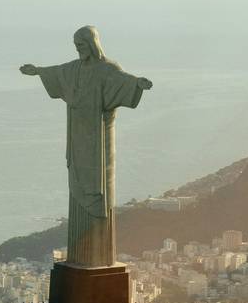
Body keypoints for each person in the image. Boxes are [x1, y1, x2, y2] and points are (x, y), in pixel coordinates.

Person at [19, 26, 153, 267]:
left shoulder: (108, 69)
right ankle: (81, 257)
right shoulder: (74, 69)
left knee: (100, 188)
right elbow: (57, 73)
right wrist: (37, 71)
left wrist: (138, 84)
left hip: (99, 142)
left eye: (81, 45)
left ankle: (98, 259)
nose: (78, 49)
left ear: (92, 44)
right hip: (78, 138)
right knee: (78, 184)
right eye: (75, 46)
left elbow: (125, 82)